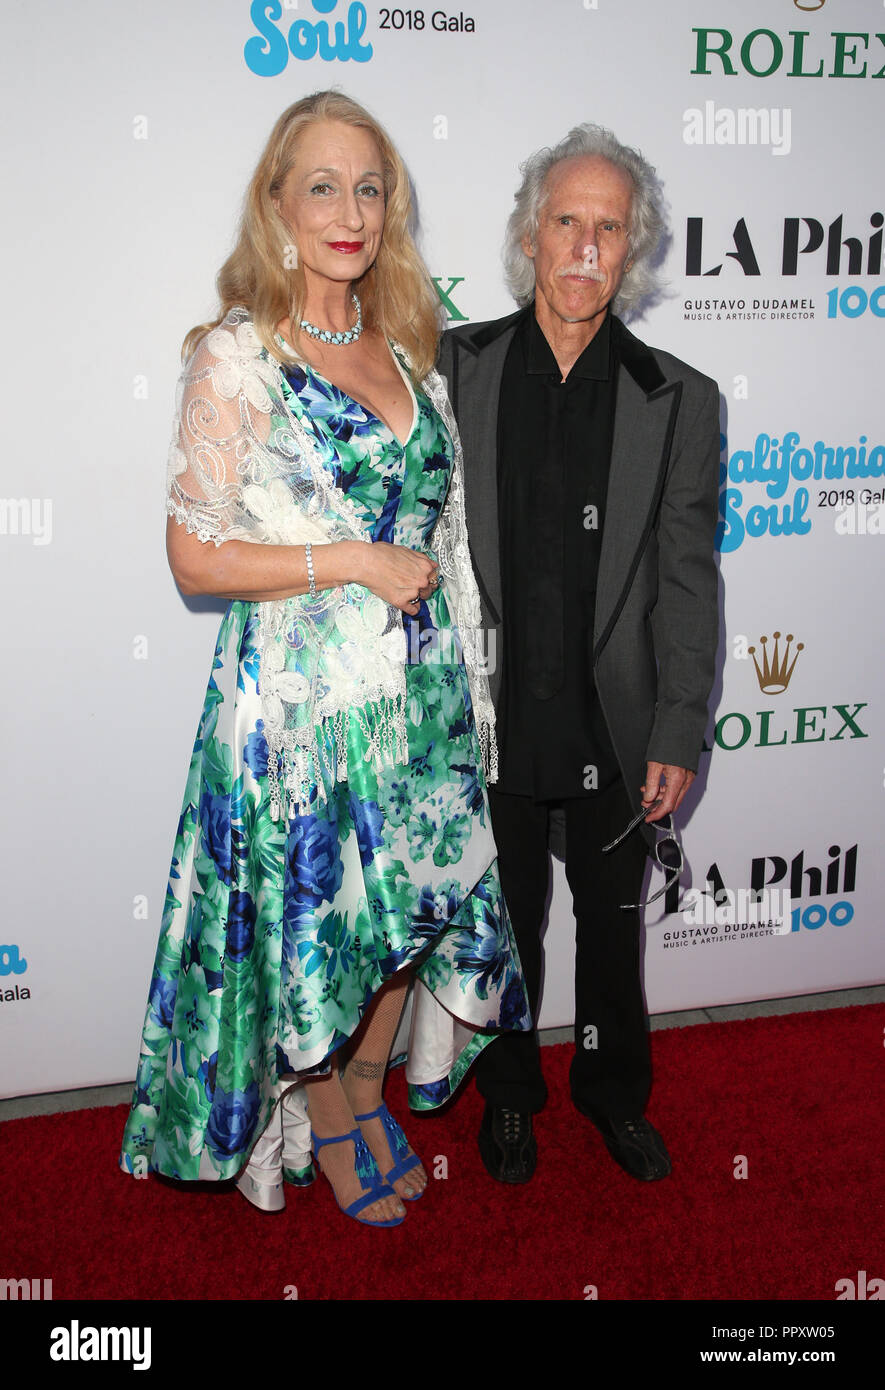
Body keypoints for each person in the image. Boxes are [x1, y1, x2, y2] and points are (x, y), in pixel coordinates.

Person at [119, 91, 530, 1228]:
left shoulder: (408, 349)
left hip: (425, 694)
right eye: (321, 184)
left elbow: (441, 540)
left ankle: (362, 1083)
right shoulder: (236, 355)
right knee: (328, 915)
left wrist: (474, 693)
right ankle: (331, 1115)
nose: (348, 210)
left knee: (415, 909)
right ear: (276, 202)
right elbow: (195, 557)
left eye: (369, 186)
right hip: (304, 714)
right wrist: (350, 559)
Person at [437, 124, 720, 1185]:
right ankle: (509, 1096)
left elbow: (690, 576)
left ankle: (611, 1094)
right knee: (506, 927)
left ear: (632, 249)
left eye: (610, 228)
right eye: (568, 220)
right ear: (528, 234)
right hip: (489, 715)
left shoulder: (680, 398)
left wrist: (680, 726)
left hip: (616, 717)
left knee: (612, 935)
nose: (586, 247)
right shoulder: (452, 368)